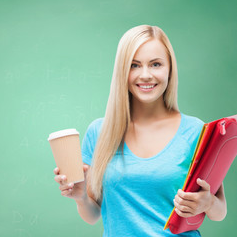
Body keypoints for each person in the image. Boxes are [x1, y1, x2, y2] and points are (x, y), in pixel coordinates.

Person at [53, 25, 227, 236]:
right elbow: (93, 215)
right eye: (134, 65)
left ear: (170, 69)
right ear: (122, 71)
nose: (145, 75)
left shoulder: (196, 131)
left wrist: (207, 203)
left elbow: (220, 211)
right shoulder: (99, 132)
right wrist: (81, 198)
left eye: (155, 64)